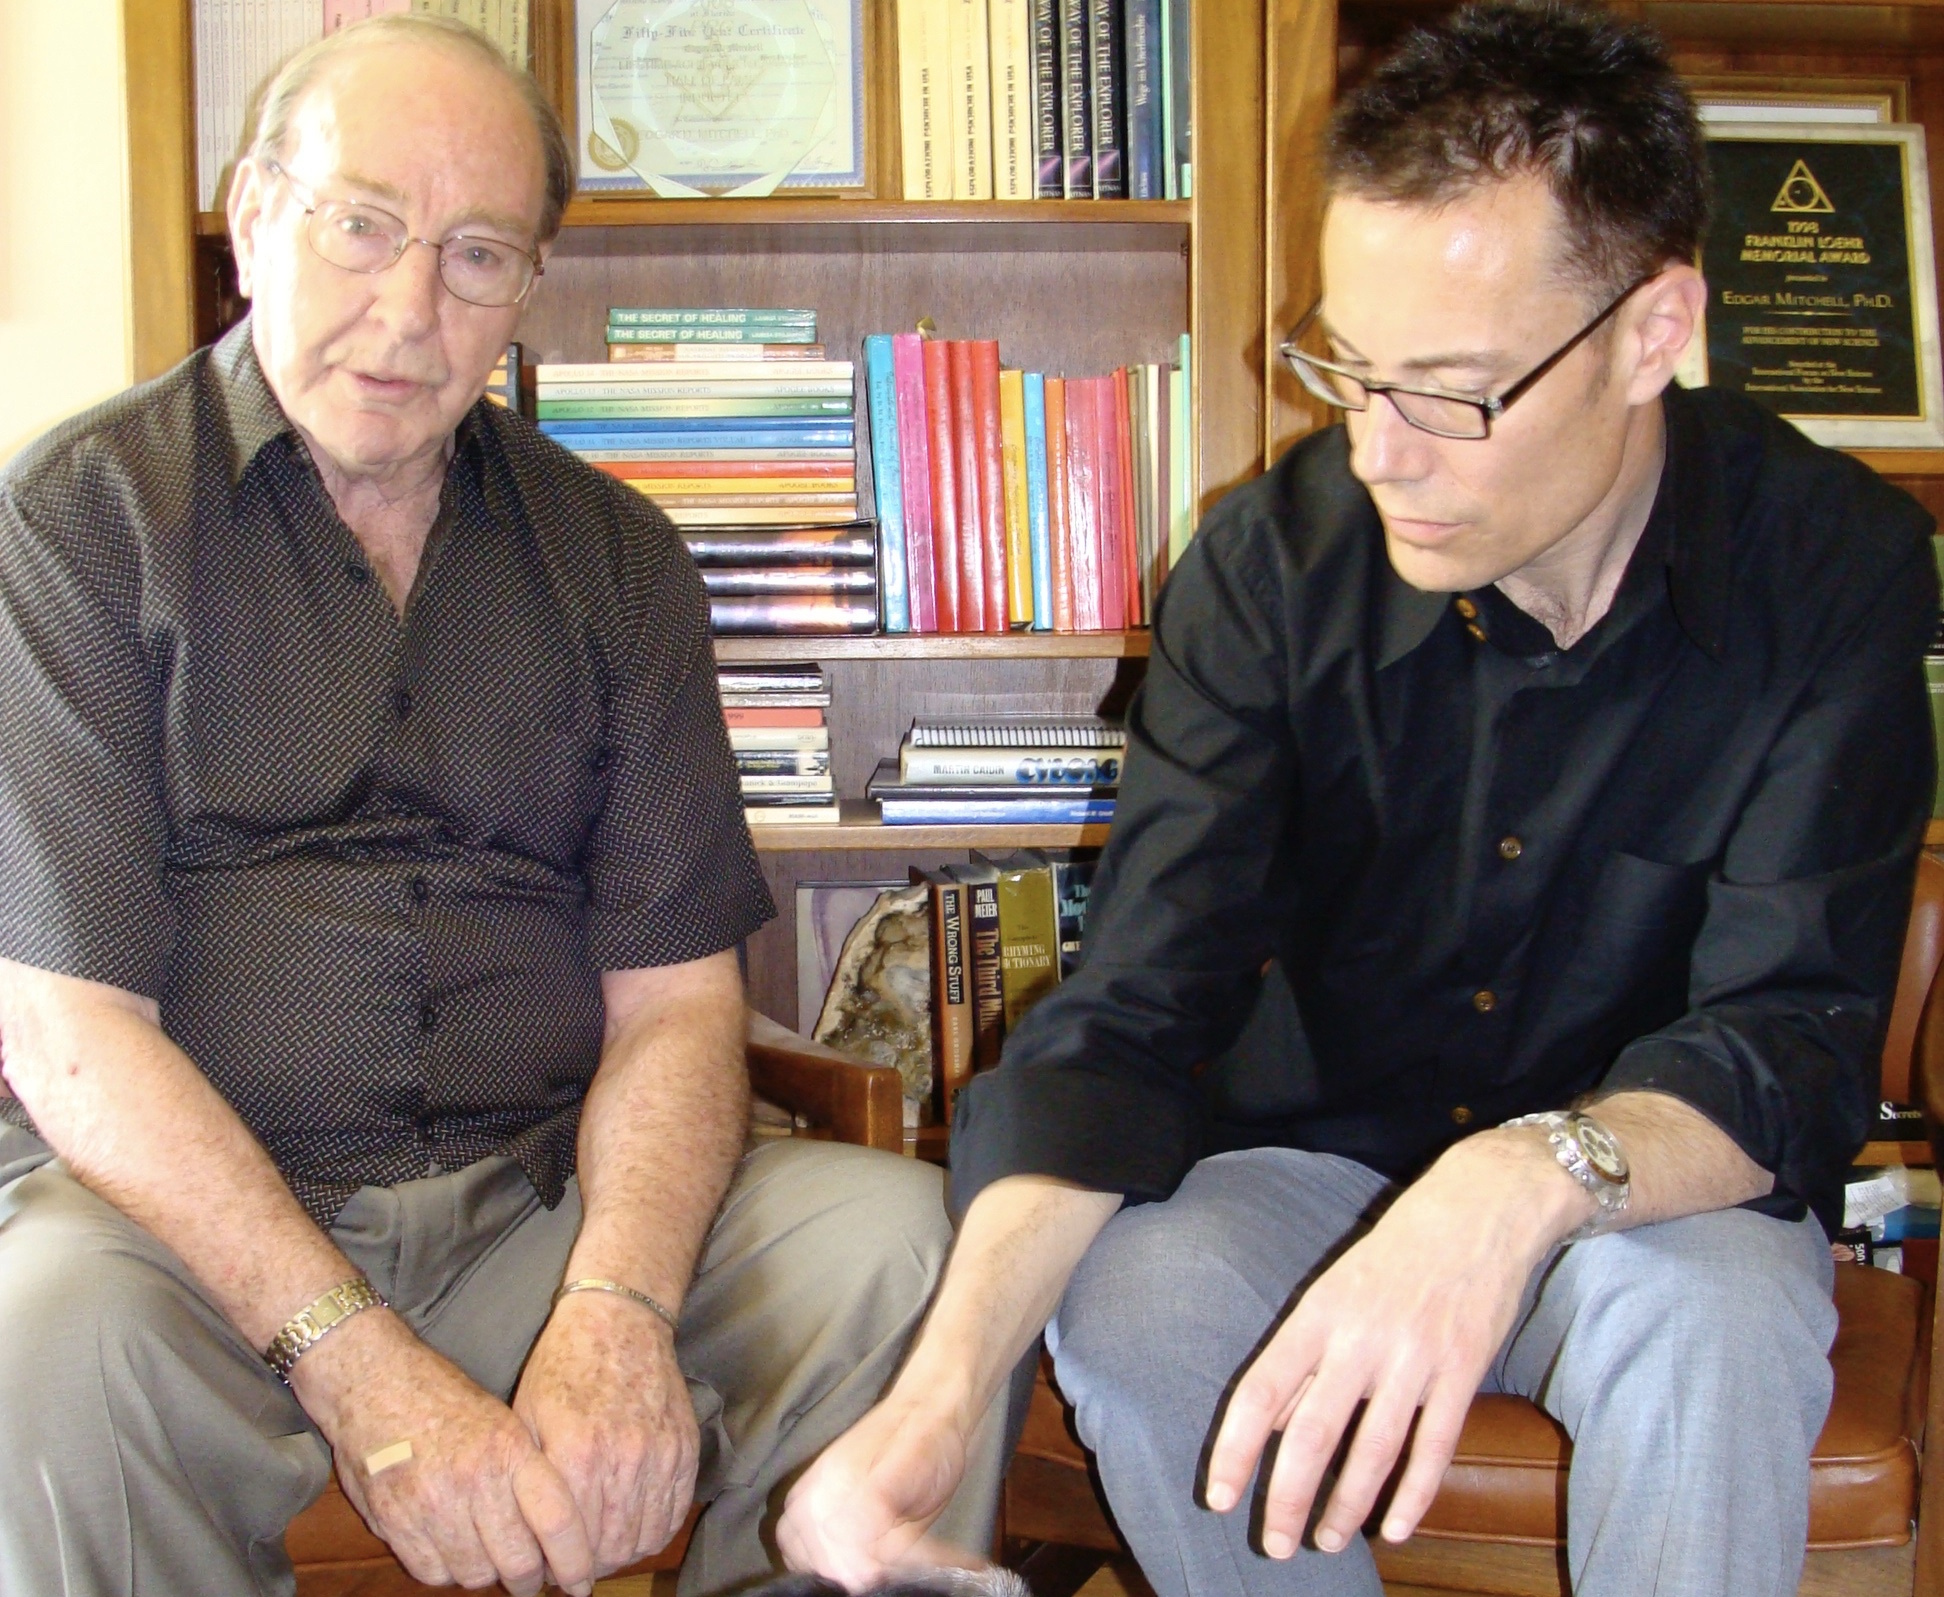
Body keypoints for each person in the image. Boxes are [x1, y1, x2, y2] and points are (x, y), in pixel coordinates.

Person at [777, 4, 1937, 1595]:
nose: (1378, 452)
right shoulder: (1266, 568)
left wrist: (1516, 1182)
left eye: (1450, 391)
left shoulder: (1835, 568)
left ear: (1652, 333)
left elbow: (1790, 1034)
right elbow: (1136, 1010)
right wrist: (937, 1393)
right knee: (1140, 1292)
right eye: (1349, 369)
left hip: (1655, 1196)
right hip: (1312, 1163)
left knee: (1709, 1324)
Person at [0, 16, 1003, 1597]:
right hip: (194, 1244)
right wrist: (355, 1358)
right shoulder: (77, 522)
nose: (410, 309)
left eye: (478, 255)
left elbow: (679, 1006)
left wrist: (616, 1305)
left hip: (538, 1202)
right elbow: (71, 1031)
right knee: (41, 1336)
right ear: (256, 216)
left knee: (895, 1250)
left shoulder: (613, 557)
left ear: (528, 286)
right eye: (362, 226)